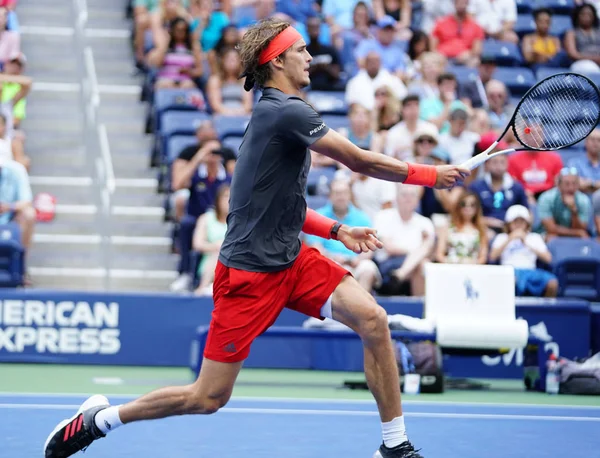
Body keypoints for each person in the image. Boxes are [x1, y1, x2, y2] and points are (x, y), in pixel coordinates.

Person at [44, 18, 467, 458]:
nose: (309, 57)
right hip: (247, 276)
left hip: (292, 260)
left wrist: (339, 229)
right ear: (277, 59)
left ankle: (394, 446)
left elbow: (286, 206)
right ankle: (101, 420)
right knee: (207, 397)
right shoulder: (287, 111)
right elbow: (359, 161)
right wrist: (430, 174)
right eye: (301, 50)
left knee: (374, 320)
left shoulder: (280, 114)